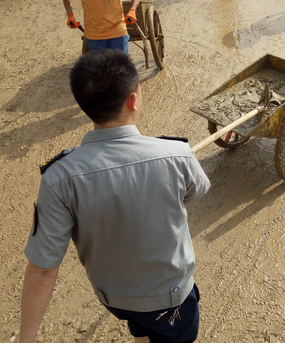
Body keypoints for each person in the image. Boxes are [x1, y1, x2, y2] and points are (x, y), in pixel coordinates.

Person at [19, 49, 211, 343]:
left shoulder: (58, 177)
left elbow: (43, 270)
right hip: (170, 299)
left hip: (114, 299)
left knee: (140, 328)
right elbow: (198, 190)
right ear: (133, 100)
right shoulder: (177, 154)